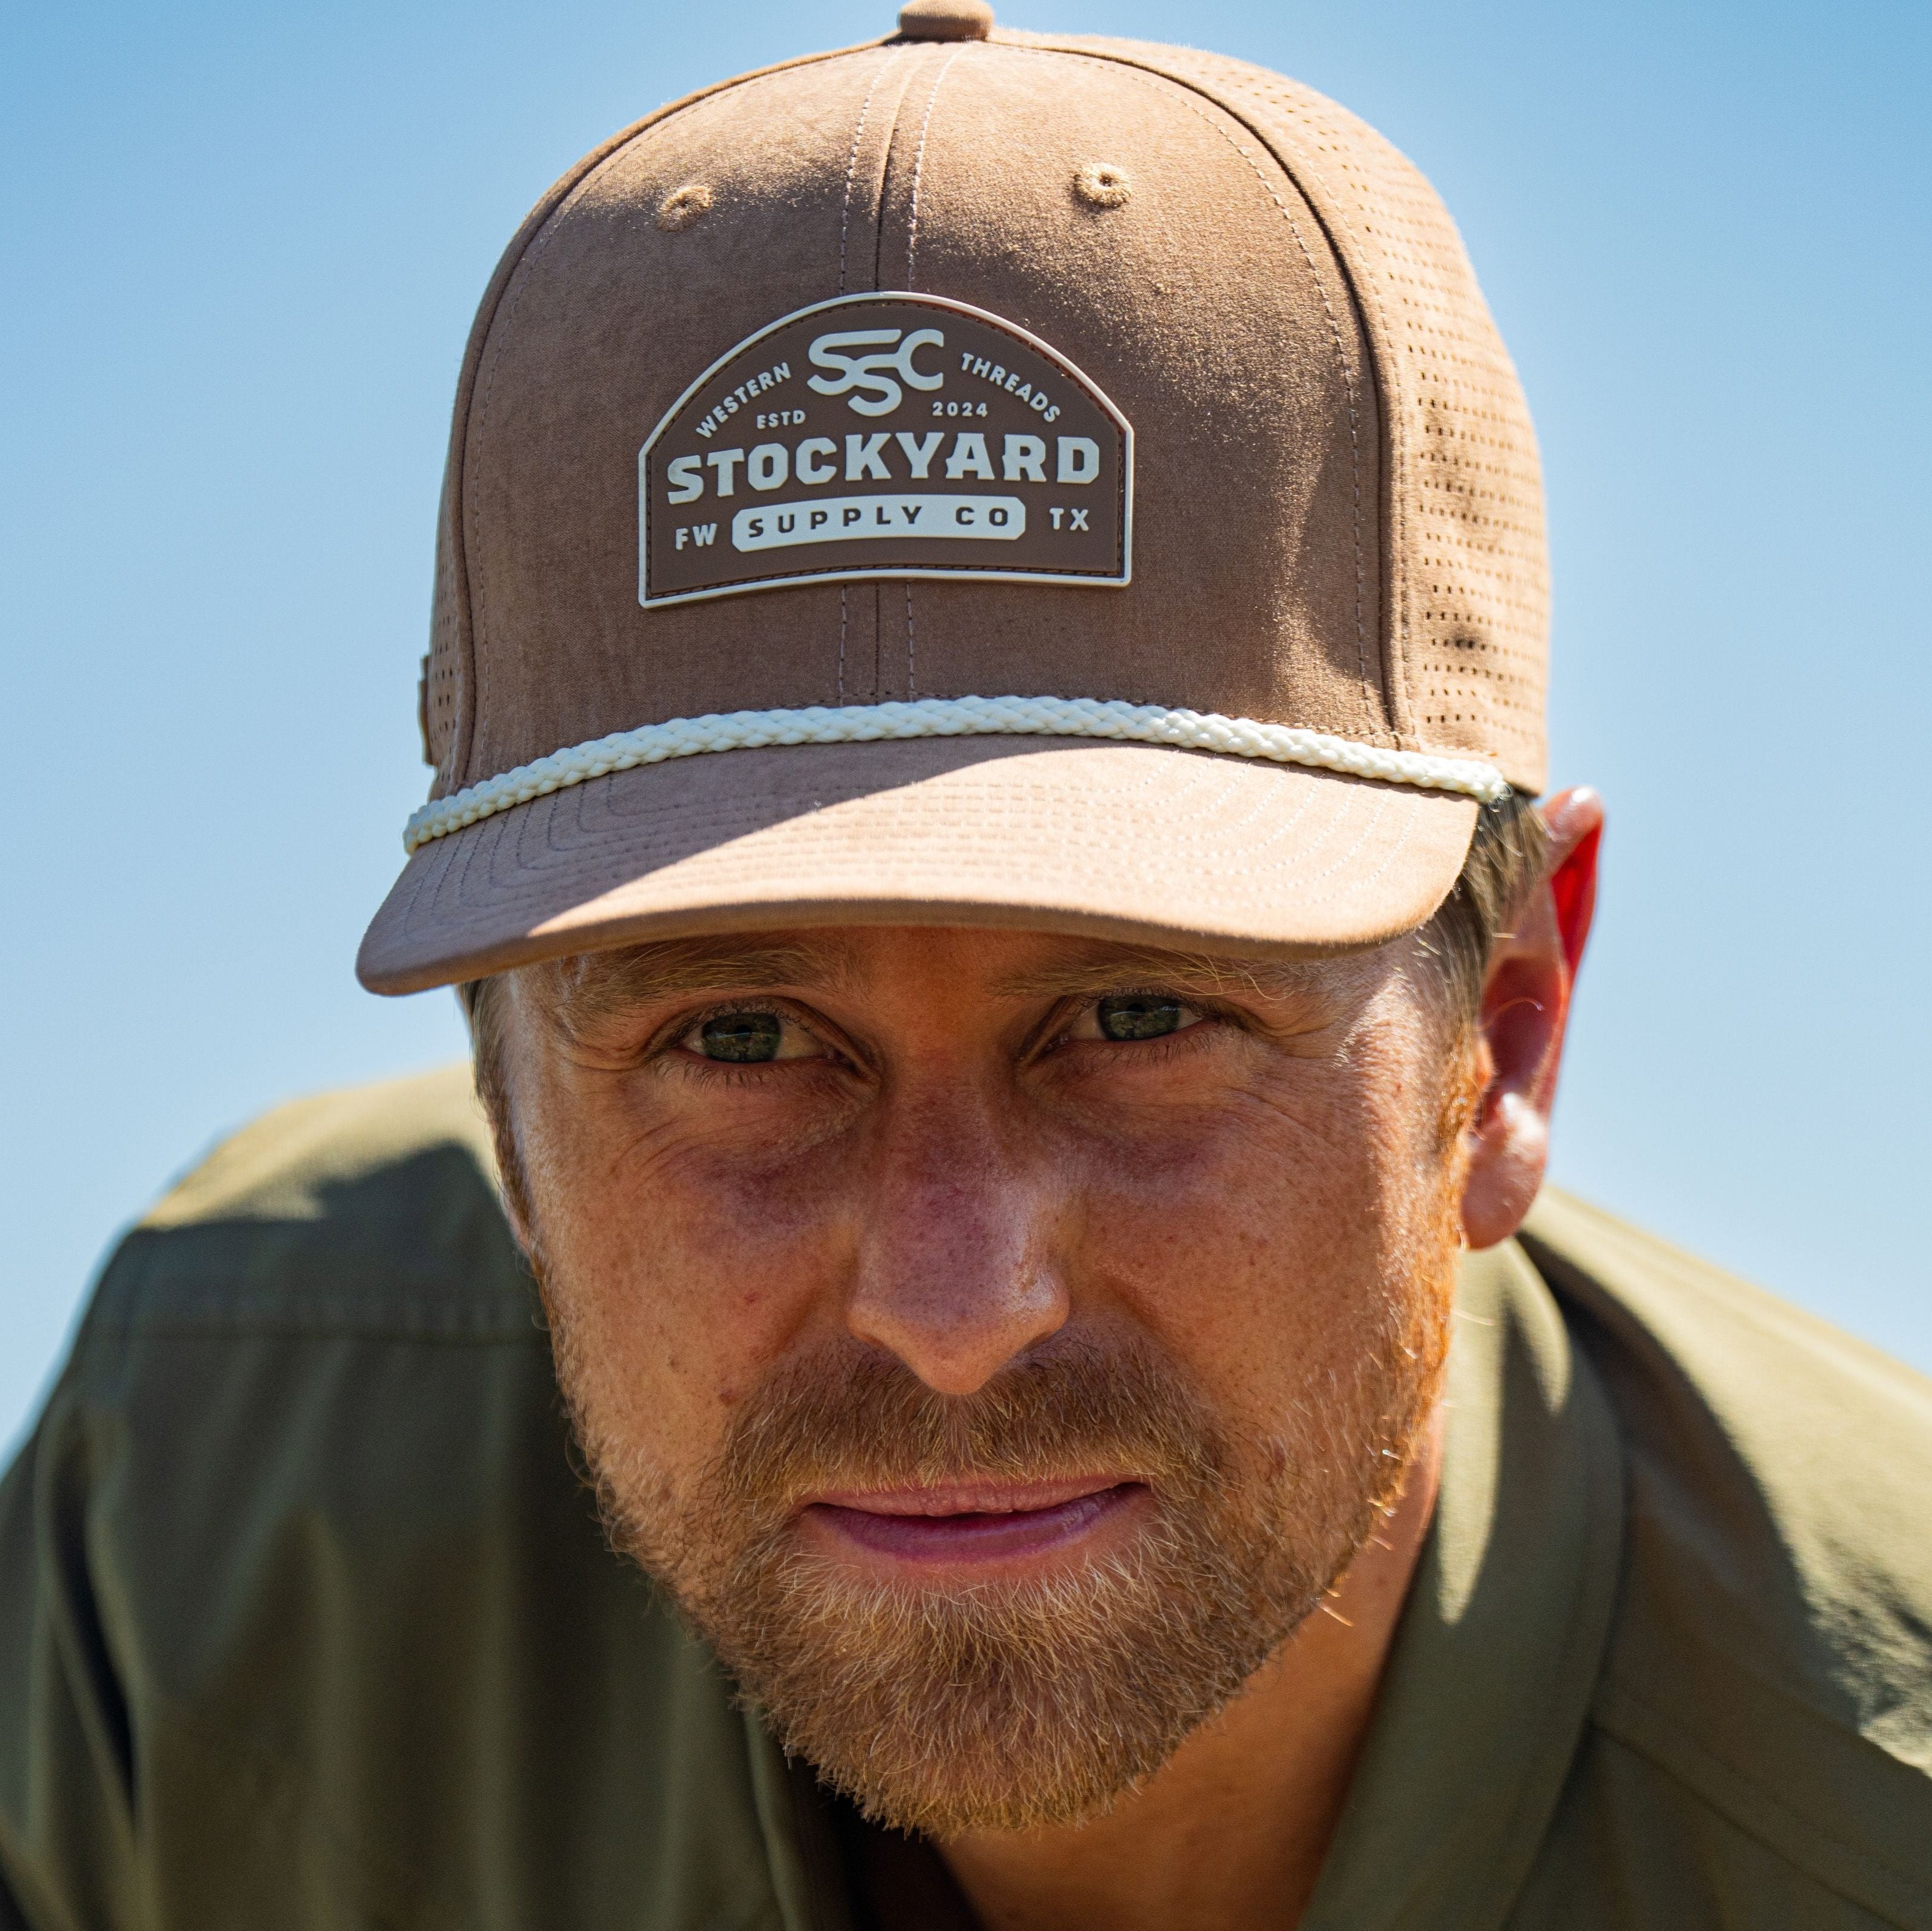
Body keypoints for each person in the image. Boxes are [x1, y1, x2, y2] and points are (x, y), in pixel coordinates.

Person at [4, 5, 1928, 1926]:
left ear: (1505, 1038)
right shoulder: (199, 1536)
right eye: (742, 1037)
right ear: (505, 1110)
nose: (955, 1301)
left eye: (1140, 1016)